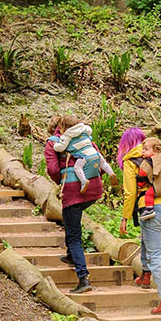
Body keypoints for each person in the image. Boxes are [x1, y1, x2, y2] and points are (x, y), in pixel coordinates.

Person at [117, 127, 161, 314]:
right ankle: (145, 275)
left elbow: (130, 193)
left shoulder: (129, 161)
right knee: (147, 237)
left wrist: (124, 217)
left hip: (153, 209)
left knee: (156, 253)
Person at [45, 115, 107, 293]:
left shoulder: (53, 143)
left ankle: (83, 278)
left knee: (73, 235)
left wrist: (62, 181)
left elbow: (53, 169)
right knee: (70, 220)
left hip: (73, 191)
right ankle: (71, 256)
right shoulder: (85, 137)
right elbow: (96, 159)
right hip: (94, 190)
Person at [50, 115, 114, 192]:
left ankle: (83, 181)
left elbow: (60, 148)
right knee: (103, 163)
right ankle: (111, 173)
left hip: (84, 156)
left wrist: (55, 145)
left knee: (77, 167)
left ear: (65, 127)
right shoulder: (84, 129)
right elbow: (90, 131)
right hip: (94, 153)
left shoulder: (67, 135)